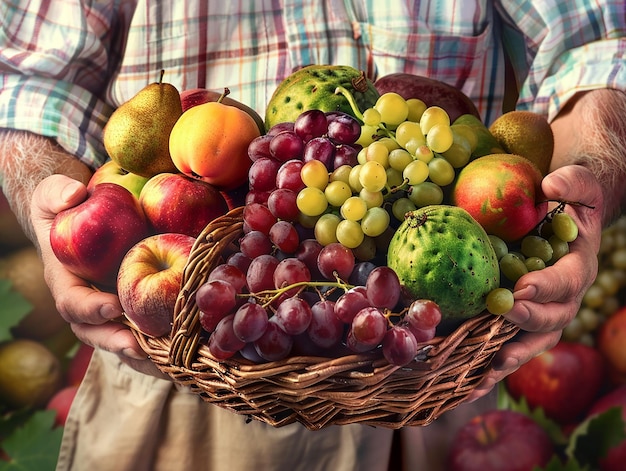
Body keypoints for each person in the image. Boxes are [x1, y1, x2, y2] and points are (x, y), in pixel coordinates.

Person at [0, 1, 624, 470]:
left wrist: (586, 187)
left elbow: (596, 41)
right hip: (188, 367)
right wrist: (47, 204)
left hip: (442, 366)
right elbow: (30, 78)